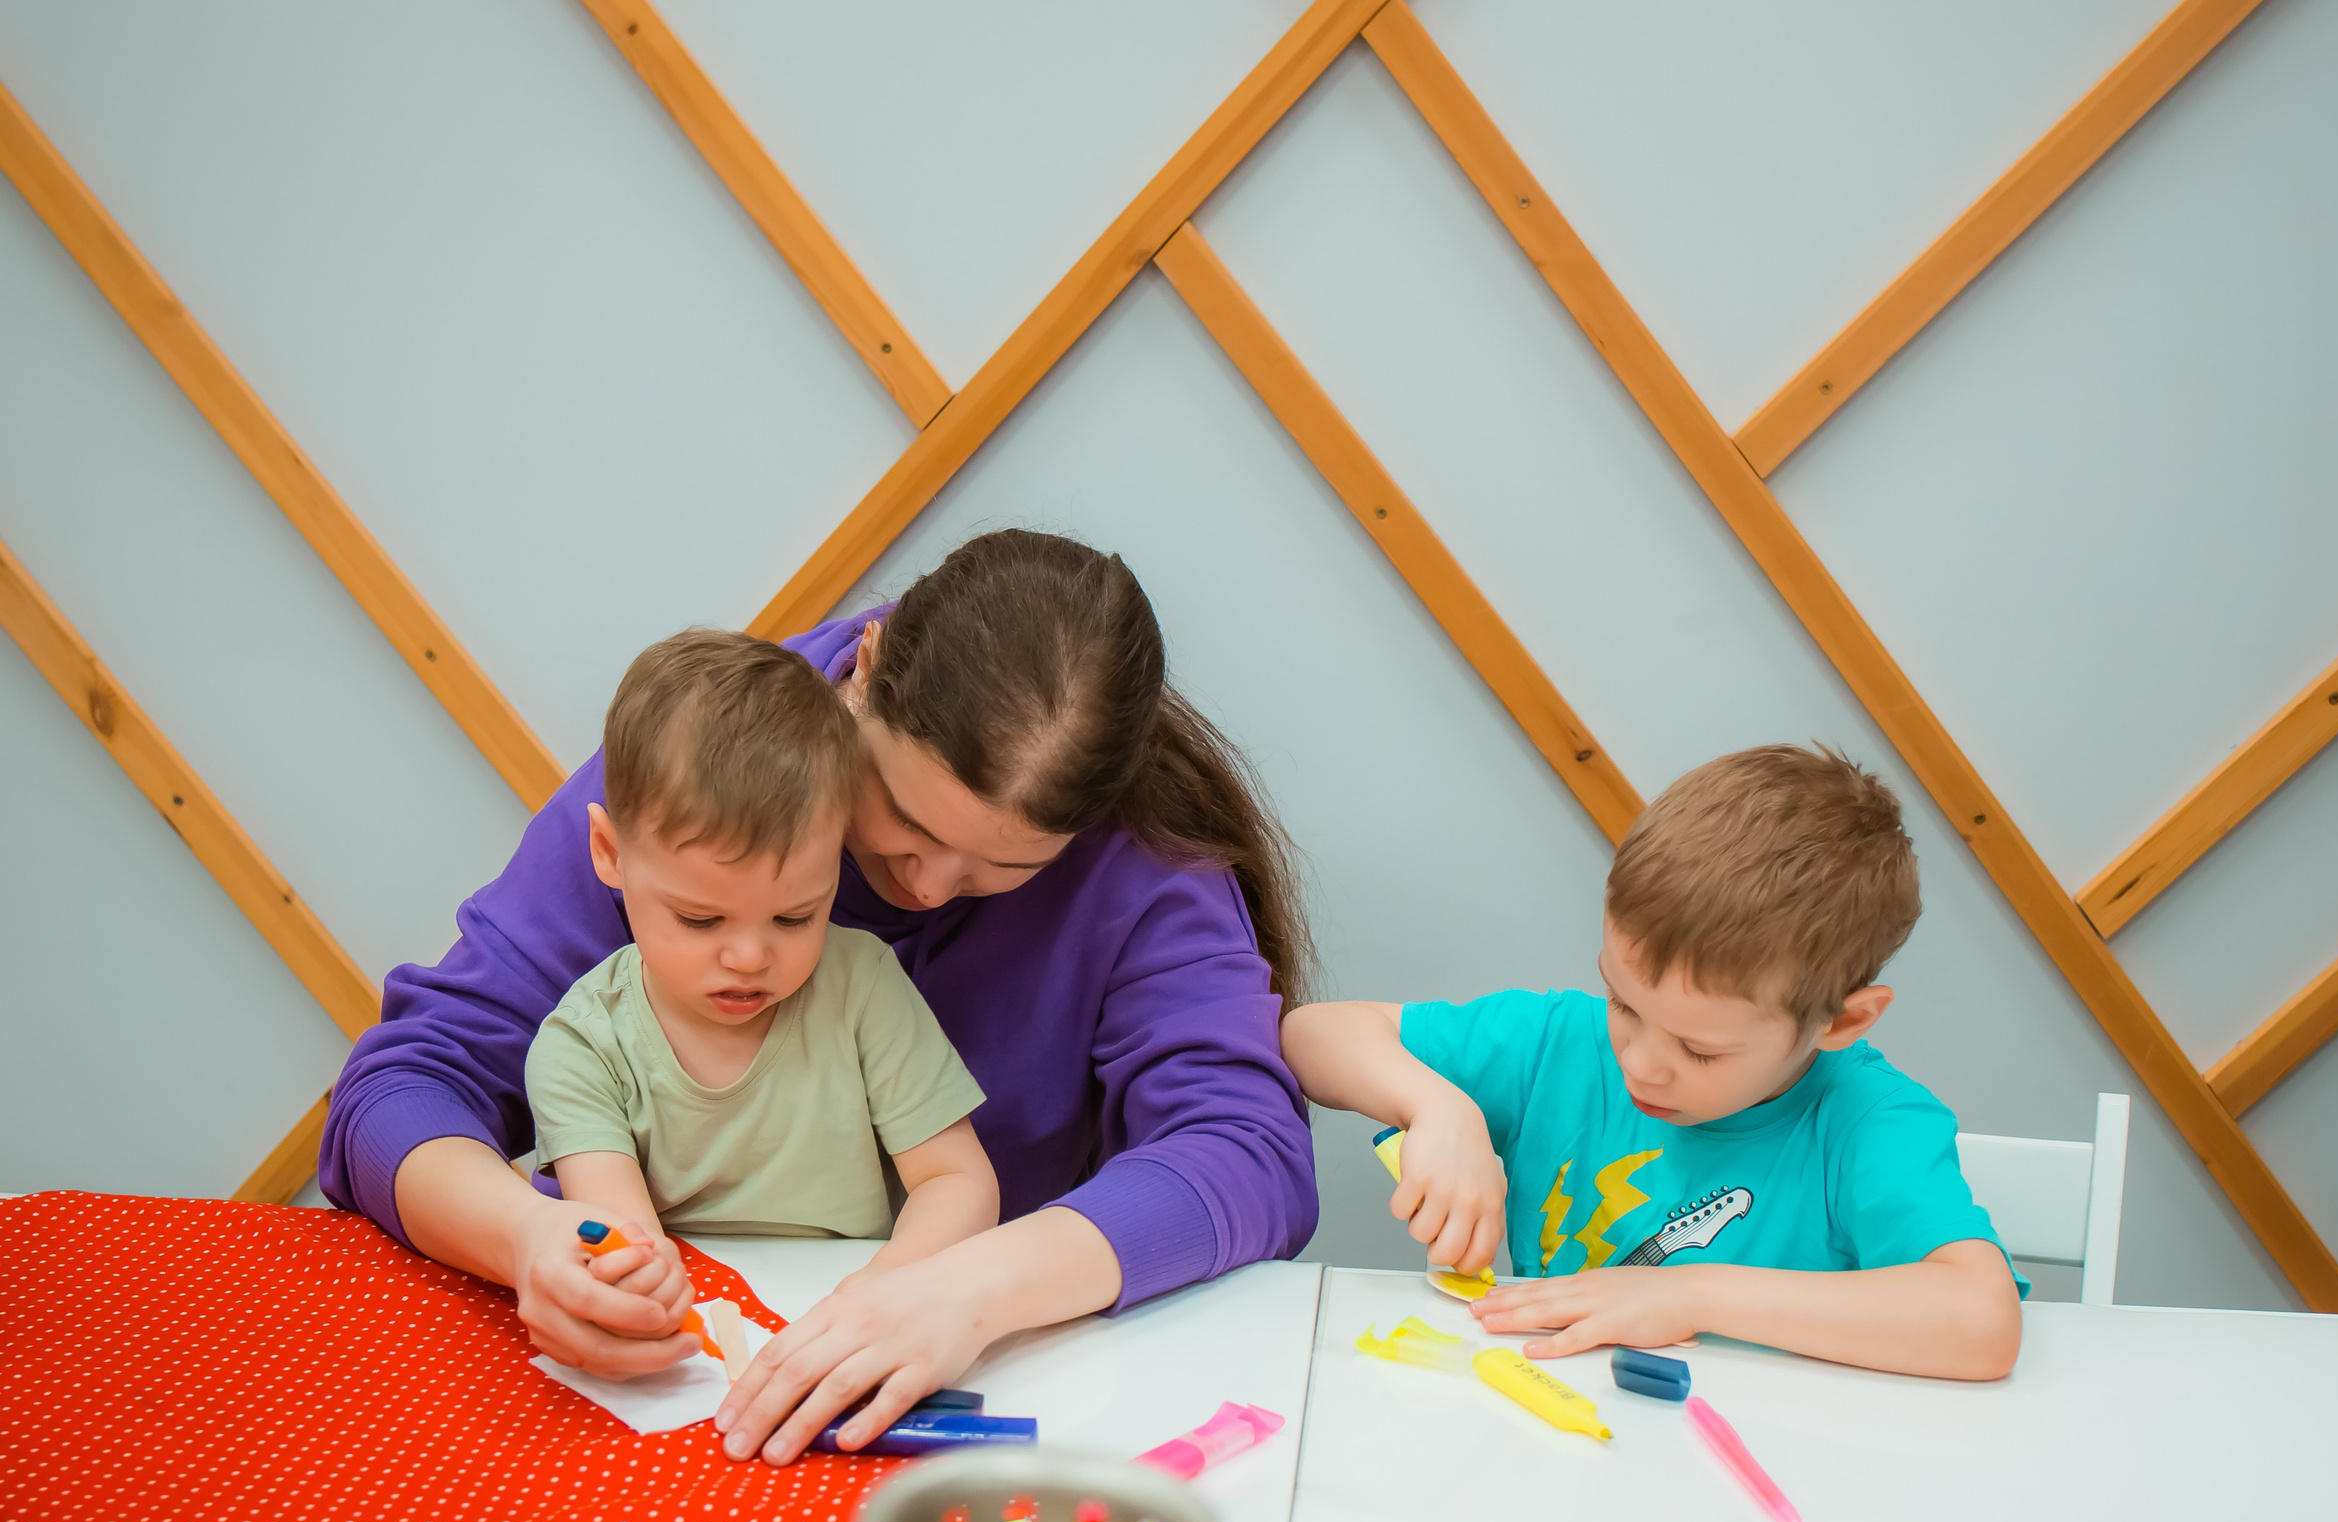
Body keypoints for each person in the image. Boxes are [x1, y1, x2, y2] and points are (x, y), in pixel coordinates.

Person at [321, 531, 1318, 1461]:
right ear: (866, 677)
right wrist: (527, 1239)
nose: (924, 888)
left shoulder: (1145, 864)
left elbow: (1246, 1154)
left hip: (960, 1384)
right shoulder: (718, 756)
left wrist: (965, 1293)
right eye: (901, 819)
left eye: (997, 868)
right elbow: (408, 1082)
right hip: (660, 1378)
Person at [1280, 744, 2024, 1382]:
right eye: (1624, 1002)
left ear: (1844, 1019)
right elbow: (1311, 1035)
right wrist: (1440, 1108)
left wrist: (1691, 1294)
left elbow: (1983, 1322)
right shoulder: (1559, 1044)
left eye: (1701, 1048)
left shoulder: (1868, 1120)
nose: (1640, 1062)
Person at [529, 629, 997, 1278]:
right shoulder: (584, 1047)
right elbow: (625, 1243)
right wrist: (639, 1287)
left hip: (861, 1316)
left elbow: (957, 1179)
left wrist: (887, 1290)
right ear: (610, 853)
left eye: (794, 915)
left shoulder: (862, 987)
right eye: (700, 918)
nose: (750, 957)